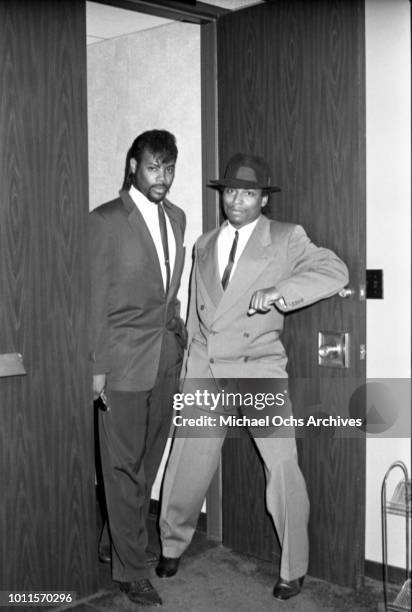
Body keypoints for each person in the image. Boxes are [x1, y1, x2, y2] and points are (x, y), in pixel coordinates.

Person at [156, 153, 349, 601]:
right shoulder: (204, 244)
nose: (236, 200)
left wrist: (281, 292)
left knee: (282, 468)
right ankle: (171, 543)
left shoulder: (285, 238)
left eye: (247, 192)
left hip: (258, 368)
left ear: (263, 198)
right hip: (206, 368)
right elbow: (196, 314)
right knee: (187, 461)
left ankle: (293, 566)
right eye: (229, 191)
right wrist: (190, 374)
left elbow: (333, 270)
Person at [89, 130, 187, 607]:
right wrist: (97, 367)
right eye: (153, 167)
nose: (162, 178)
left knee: (147, 464)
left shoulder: (178, 218)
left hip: (165, 358)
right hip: (122, 362)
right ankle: (131, 568)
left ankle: (112, 543)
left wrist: (178, 325)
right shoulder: (106, 221)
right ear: (133, 166)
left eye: (169, 168)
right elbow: (93, 300)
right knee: (123, 466)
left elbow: (165, 286)